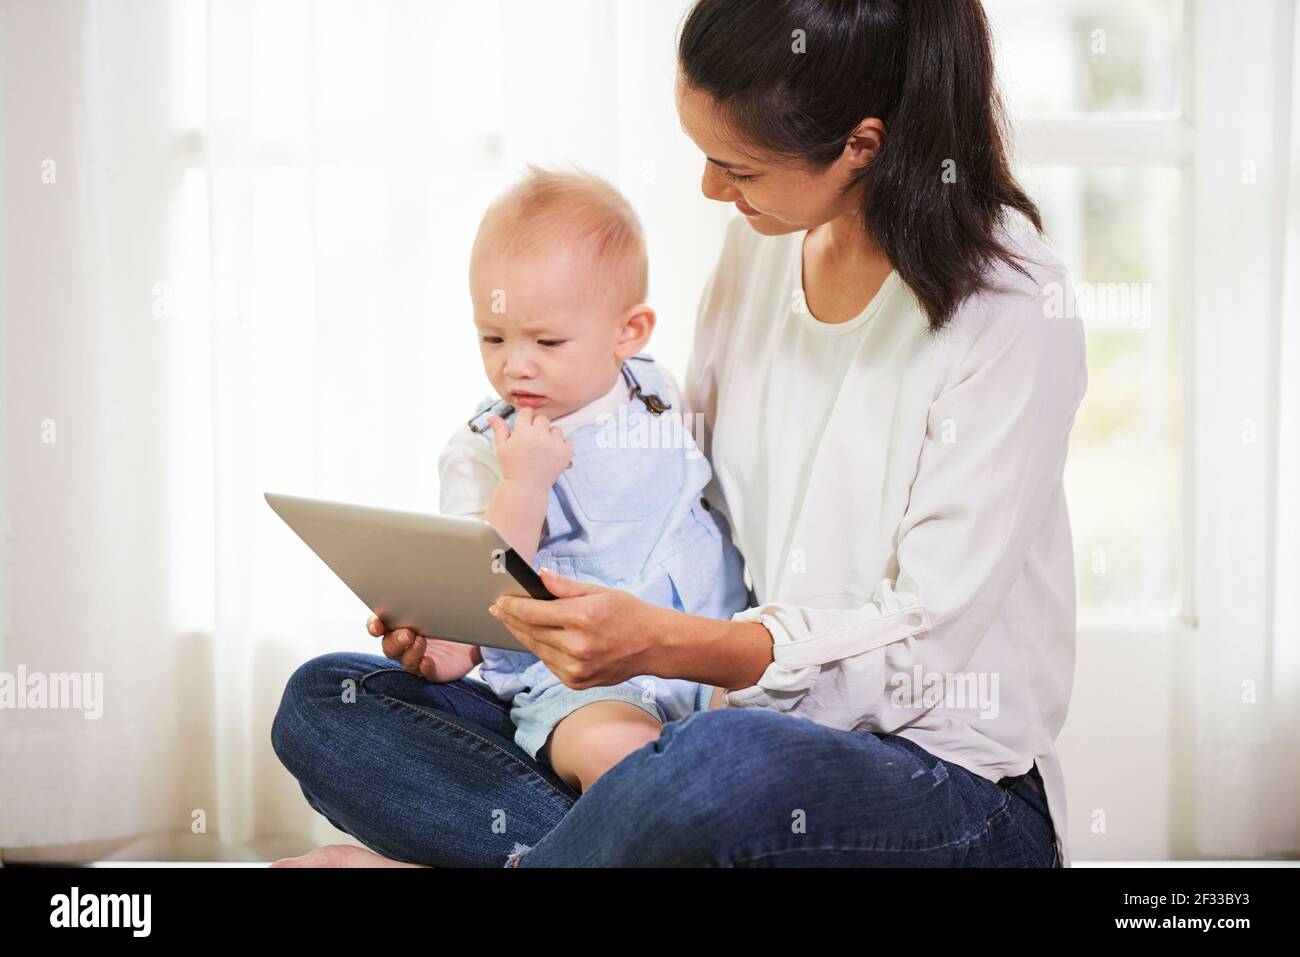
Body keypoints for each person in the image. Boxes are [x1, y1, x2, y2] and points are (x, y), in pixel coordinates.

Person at [270, 0, 1086, 868]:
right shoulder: (766, 245)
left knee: (714, 777)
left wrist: (667, 643)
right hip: (700, 714)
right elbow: (694, 497)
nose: (710, 189)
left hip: (935, 779)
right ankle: (593, 849)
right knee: (330, 703)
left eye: (737, 166)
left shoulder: (1009, 308)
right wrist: (478, 616)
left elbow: (921, 644)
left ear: (863, 144)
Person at [436, 165, 749, 797]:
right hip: (584, 683)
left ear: (626, 334)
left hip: (711, 647)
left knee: (760, 753)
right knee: (619, 754)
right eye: (492, 336)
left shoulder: (654, 388)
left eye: (547, 341)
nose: (514, 364)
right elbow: (482, 587)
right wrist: (524, 483)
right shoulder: (483, 447)